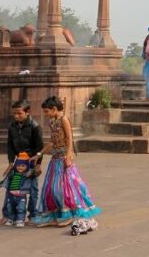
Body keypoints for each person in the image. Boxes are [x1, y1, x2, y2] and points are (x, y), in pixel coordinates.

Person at [34, 96, 100, 227]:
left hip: (63, 158)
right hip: (55, 159)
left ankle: (70, 214)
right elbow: (52, 142)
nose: (45, 114)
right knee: (50, 188)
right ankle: (55, 215)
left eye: (47, 111)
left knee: (65, 188)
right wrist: (39, 154)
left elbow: (70, 138)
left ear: (54, 109)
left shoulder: (64, 120)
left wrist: (69, 155)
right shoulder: (52, 121)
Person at [2, 99, 44, 224]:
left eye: (19, 113)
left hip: (31, 162)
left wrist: (38, 164)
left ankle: (32, 215)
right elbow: (10, 145)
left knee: (32, 189)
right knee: (12, 187)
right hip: (17, 162)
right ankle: (9, 215)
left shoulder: (35, 126)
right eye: (14, 113)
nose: (16, 116)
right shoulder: (12, 126)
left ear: (28, 112)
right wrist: (10, 162)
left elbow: (39, 147)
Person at [0, 152, 35, 227]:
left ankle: (20, 220)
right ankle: (11, 219)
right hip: (11, 194)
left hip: (21, 195)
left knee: (21, 208)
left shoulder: (26, 174)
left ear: (26, 166)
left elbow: (32, 170)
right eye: (18, 165)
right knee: (10, 207)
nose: (20, 167)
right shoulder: (13, 173)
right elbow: (7, 179)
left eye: (23, 166)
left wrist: (31, 163)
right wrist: (0, 184)